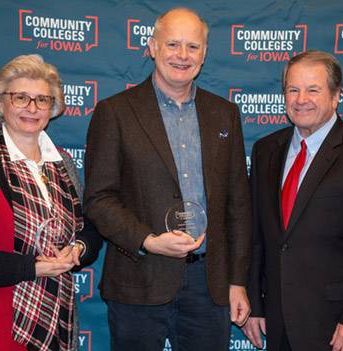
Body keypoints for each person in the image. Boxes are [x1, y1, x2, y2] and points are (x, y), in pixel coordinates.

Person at [84, 7, 252, 351]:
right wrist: (147, 239)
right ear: (152, 47)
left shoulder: (225, 114)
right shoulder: (114, 112)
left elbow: (238, 204)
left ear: (204, 55)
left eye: (193, 47)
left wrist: (237, 281)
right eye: (172, 44)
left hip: (210, 285)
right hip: (138, 279)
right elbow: (99, 199)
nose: (182, 55)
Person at [0, 54, 102, 351]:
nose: (32, 108)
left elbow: (88, 229)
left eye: (42, 100)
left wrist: (78, 249)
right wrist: (30, 267)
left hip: (57, 324)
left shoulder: (63, 165)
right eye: (21, 97)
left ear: (54, 108)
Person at [242, 50, 343, 351]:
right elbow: (258, 238)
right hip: (278, 323)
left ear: (336, 95)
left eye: (313, 89)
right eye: (293, 89)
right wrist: (256, 303)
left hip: (338, 327)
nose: (301, 99)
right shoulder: (266, 151)